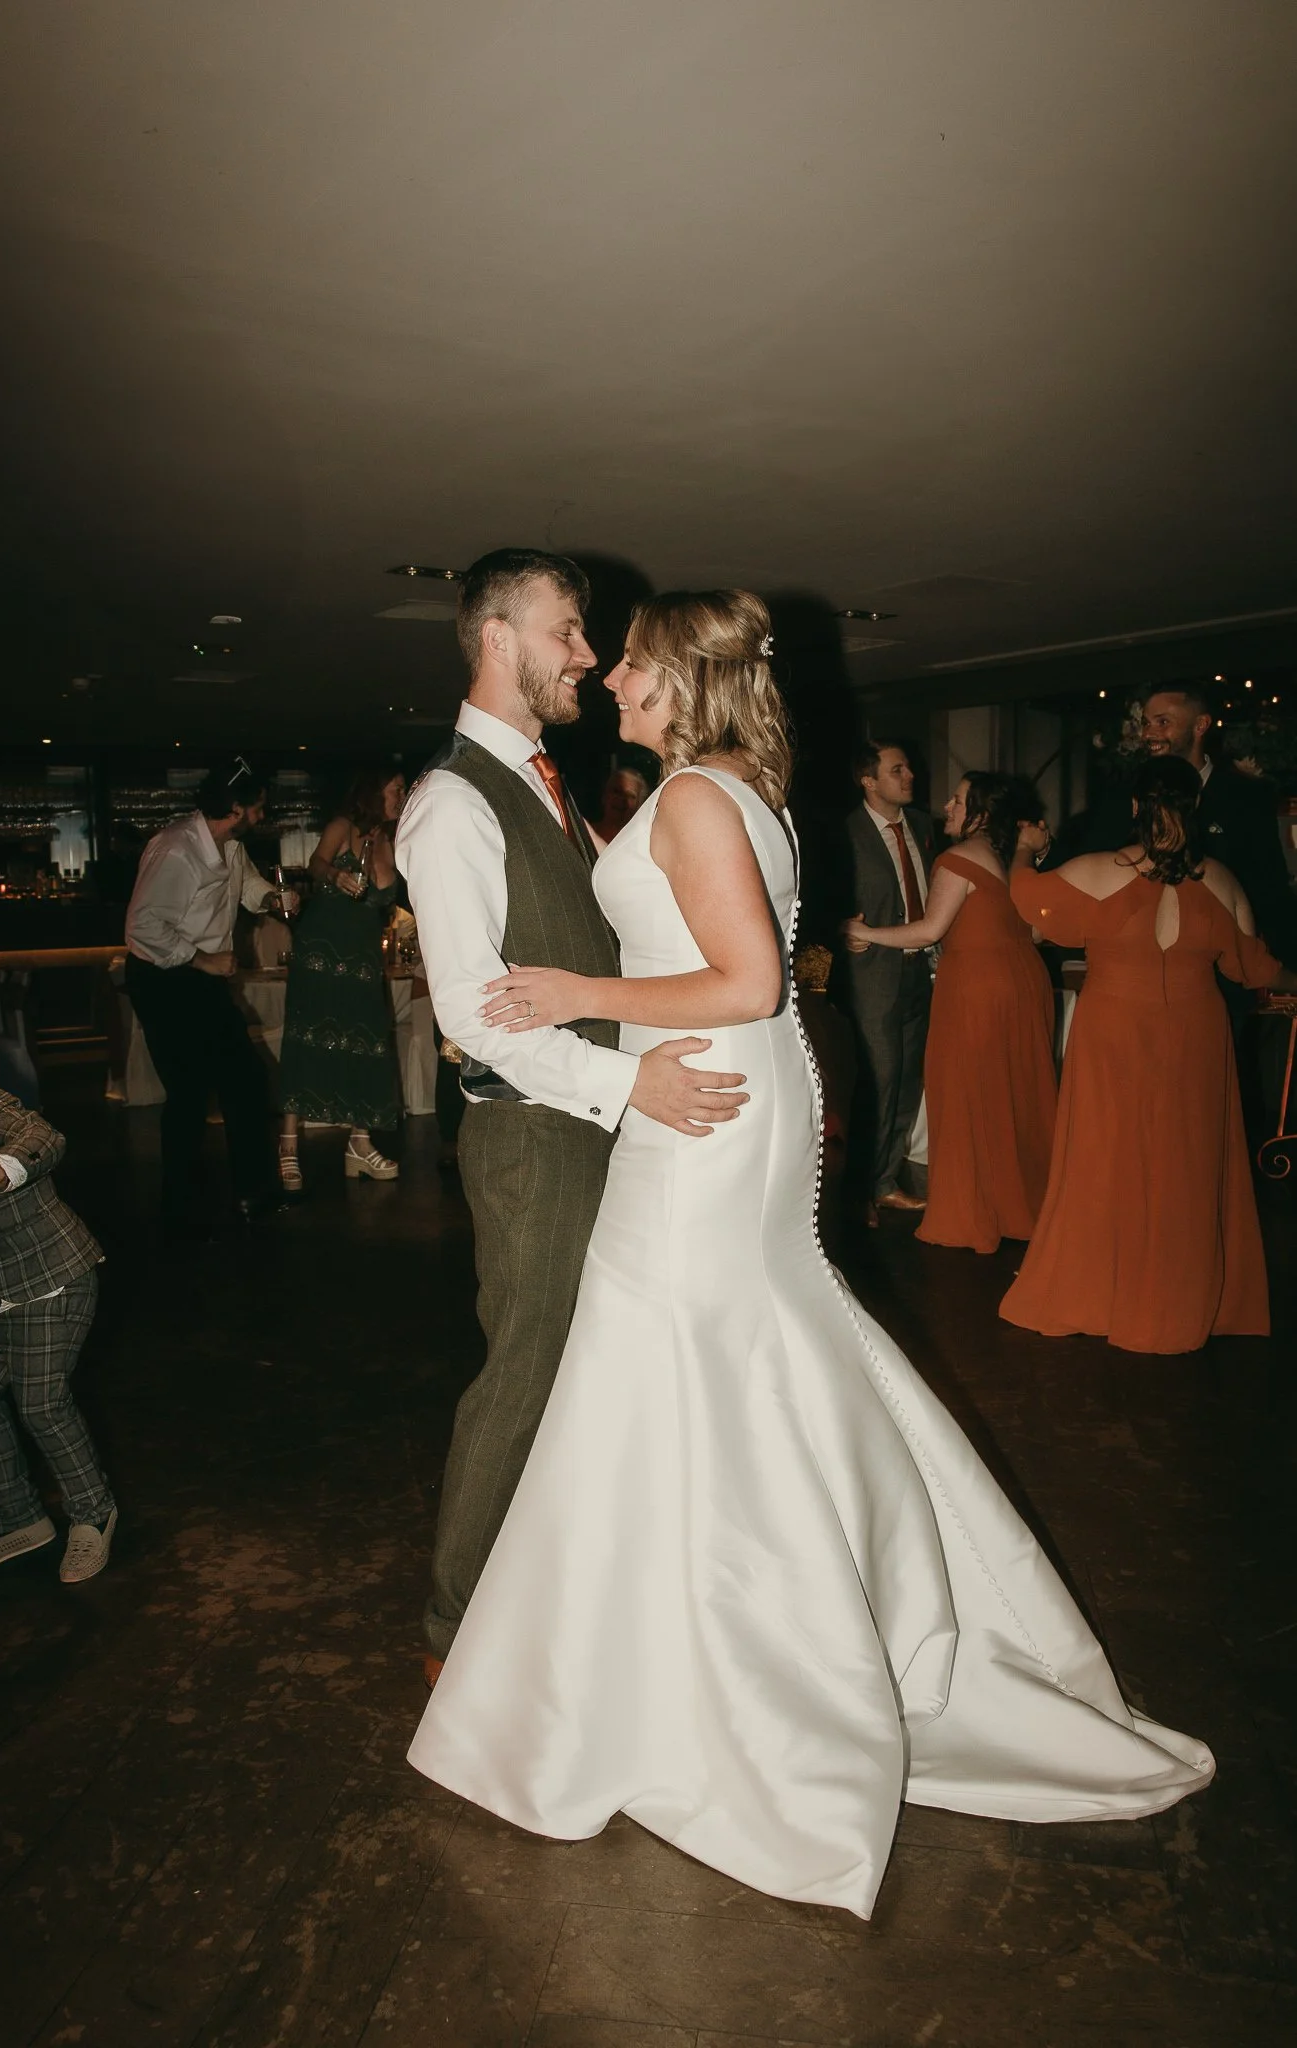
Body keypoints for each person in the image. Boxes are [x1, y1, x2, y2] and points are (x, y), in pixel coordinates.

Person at [408, 589, 1213, 1921]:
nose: (609, 676)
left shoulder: (696, 797)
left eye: (630, 662)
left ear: (678, 679)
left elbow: (746, 980)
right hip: (732, 1090)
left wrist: (577, 995)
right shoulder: (735, 788)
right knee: (728, 1345)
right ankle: (710, 1633)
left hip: (707, 1093)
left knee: (673, 1348)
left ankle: (723, 1675)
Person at [393, 549, 751, 1681]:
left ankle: (552, 1589)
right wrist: (628, 1082)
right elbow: (473, 1016)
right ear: (499, 639)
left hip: (592, 1123)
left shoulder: (544, 779)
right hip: (533, 1137)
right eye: (567, 632)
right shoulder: (453, 802)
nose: (588, 658)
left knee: (588, 1366)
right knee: (528, 1369)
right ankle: (456, 1627)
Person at [1001, 756, 1297, 1353]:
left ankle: (1101, 1292)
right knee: (1184, 1161)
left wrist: (1025, 851)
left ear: (1136, 807)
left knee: (1106, 1155)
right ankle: (1176, 1300)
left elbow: (1025, 897)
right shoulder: (1221, 881)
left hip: (1113, 1029)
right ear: (1196, 808)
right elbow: (1254, 968)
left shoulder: (1097, 869)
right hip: (1194, 1032)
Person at [845, 773, 1057, 1253]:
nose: (947, 805)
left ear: (982, 812)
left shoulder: (958, 858)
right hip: (1023, 983)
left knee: (965, 1093)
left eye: (959, 800)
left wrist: (865, 934)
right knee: (1012, 1093)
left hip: (977, 988)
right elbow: (1040, 932)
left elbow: (929, 930)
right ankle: (1018, 1206)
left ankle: (973, 1213)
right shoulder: (1012, 860)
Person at [0, 1069, 114, 1583]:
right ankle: (18, 1518)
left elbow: (45, 1138)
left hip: (52, 1276)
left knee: (41, 1404)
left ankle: (94, 1513)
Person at [124, 756, 291, 1241]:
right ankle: (181, 1206)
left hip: (200, 980)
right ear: (235, 808)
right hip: (163, 979)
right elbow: (142, 927)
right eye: (258, 807)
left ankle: (247, 1193)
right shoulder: (176, 849)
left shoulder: (230, 846)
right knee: (192, 1091)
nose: (262, 815)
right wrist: (203, 960)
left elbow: (249, 887)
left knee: (241, 1080)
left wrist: (273, 899)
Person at [1072, 683, 1297, 965]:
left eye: (1163, 722)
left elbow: (1269, 887)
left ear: (1200, 725)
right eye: (1146, 723)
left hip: (1224, 962)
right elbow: (1091, 861)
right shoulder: (1126, 792)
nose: (1148, 734)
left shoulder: (1245, 797)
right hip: (1138, 958)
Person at [277, 768, 405, 1189]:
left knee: (367, 1042)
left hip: (364, 959)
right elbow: (315, 863)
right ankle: (288, 1147)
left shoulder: (393, 840)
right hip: (320, 952)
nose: (402, 795)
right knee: (306, 1038)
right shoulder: (342, 826)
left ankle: (359, 1144)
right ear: (374, 791)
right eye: (396, 788)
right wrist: (335, 874)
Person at [827, 737, 933, 1222]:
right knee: (878, 1083)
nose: (909, 776)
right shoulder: (844, 833)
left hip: (921, 971)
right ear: (868, 780)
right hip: (872, 978)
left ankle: (886, 1182)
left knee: (908, 1082)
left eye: (907, 767)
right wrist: (839, 929)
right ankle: (858, 1195)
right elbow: (818, 897)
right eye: (897, 770)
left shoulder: (923, 827)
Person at [589, 763, 651, 842]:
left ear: (639, 805)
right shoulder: (584, 834)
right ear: (605, 796)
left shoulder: (642, 841)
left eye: (630, 795)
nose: (621, 799)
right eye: (616, 791)